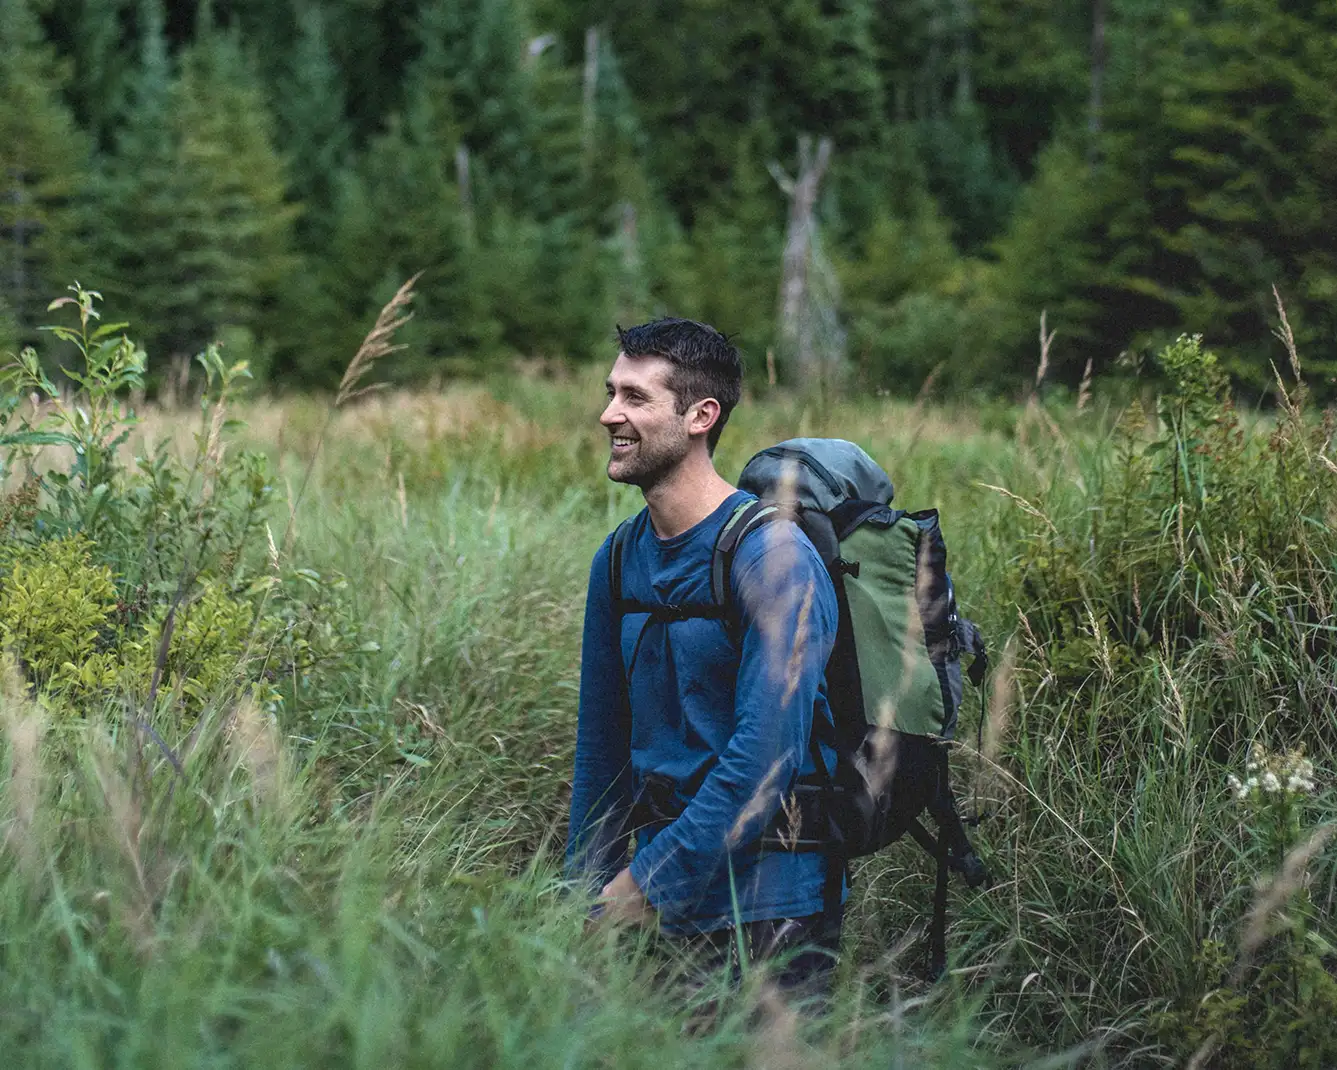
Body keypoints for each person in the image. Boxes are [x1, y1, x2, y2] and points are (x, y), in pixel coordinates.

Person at [564, 317, 842, 992]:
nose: (608, 414)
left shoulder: (771, 557)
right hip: (653, 901)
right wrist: (579, 896)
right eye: (610, 393)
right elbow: (601, 747)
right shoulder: (618, 558)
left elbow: (763, 761)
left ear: (700, 415)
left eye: (634, 397)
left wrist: (644, 884)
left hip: (771, 908)